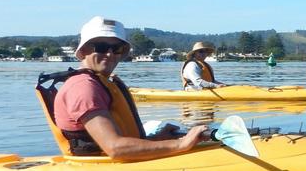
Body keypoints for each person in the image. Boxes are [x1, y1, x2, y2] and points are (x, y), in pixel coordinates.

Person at [54, 17, 208, 160]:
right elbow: (115, 148)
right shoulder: (83, 88)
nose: (109, 53)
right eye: (101, 47)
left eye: (117, 48)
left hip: (122, 161)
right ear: (83, 51)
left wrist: (154, 140)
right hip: (103, 168)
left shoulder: (100, 82)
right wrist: (182, 144)